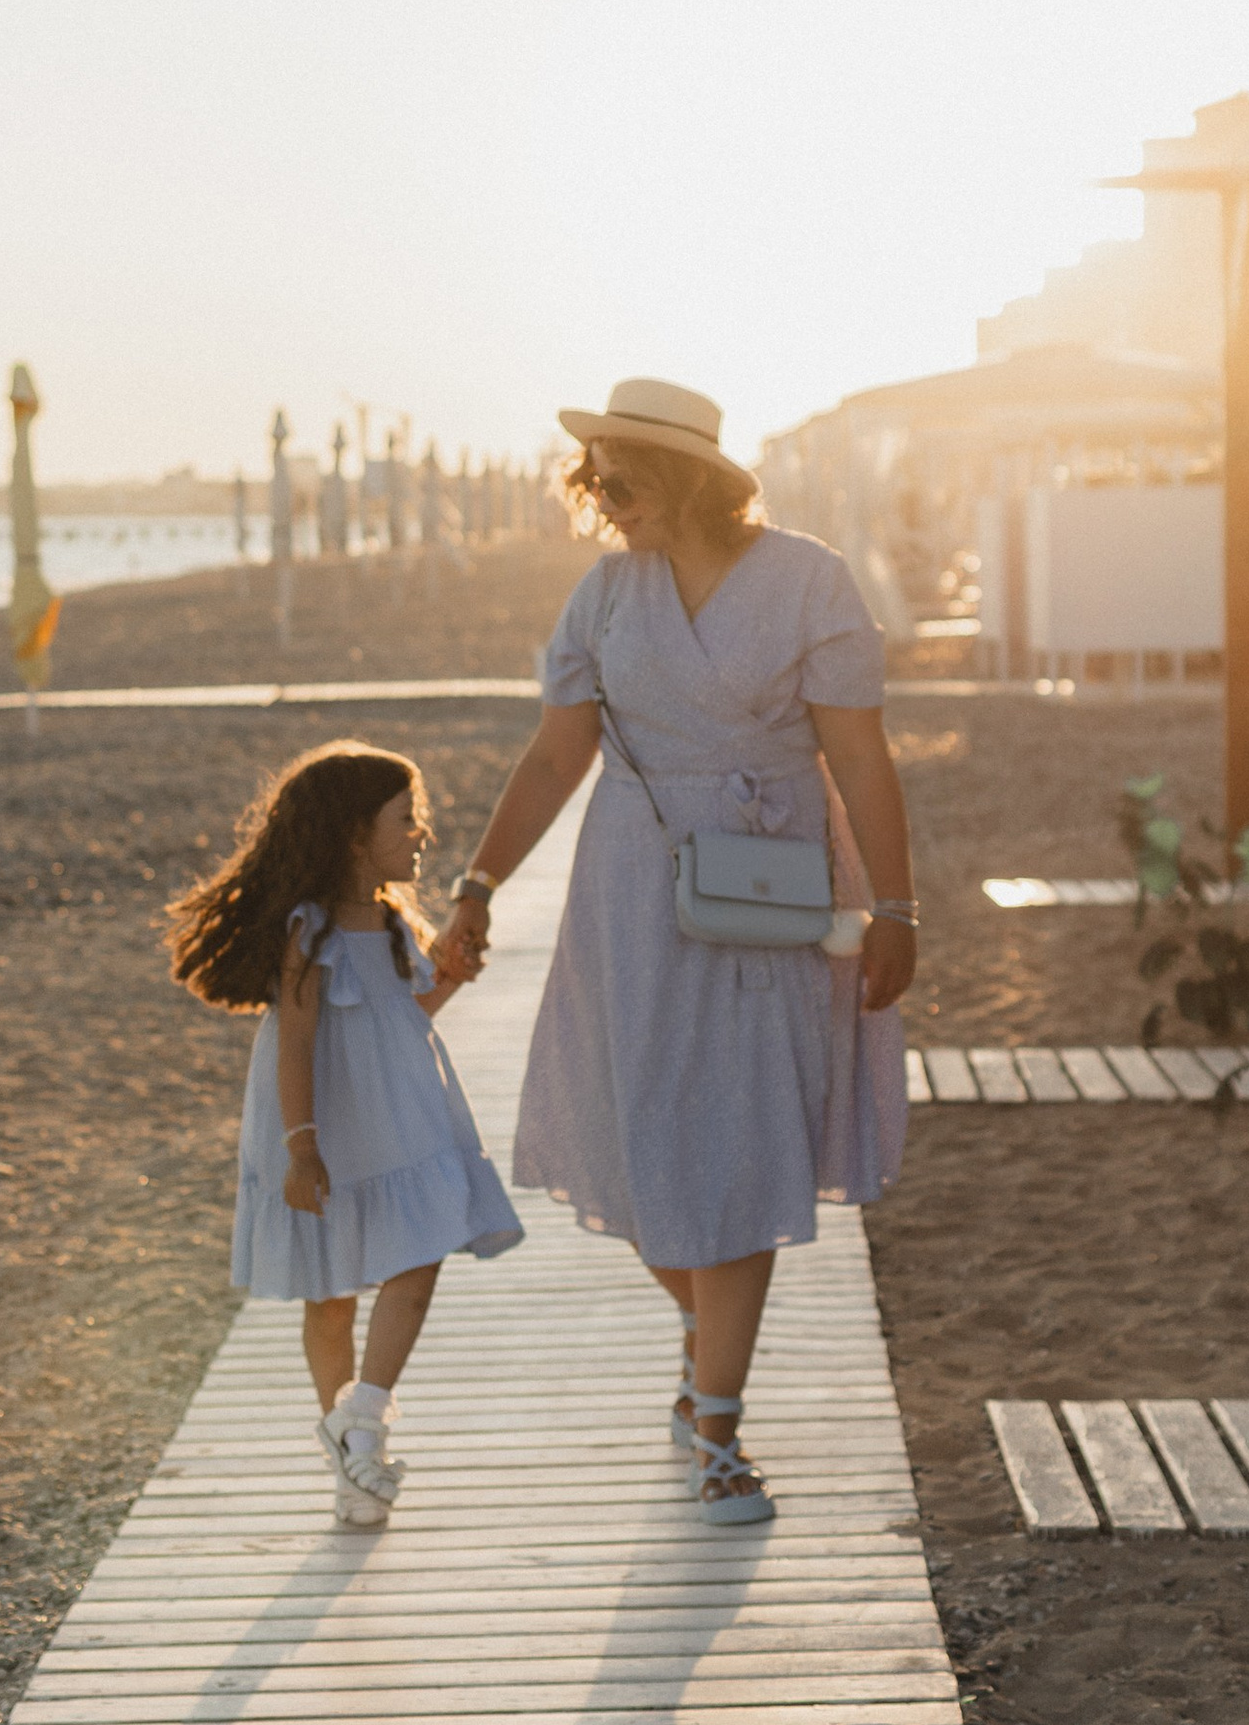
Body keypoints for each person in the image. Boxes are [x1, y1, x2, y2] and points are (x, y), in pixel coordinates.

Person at [434, 377, 914, 1523]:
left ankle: (719, 1433)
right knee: (644, 1146)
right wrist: (478, 880)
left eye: (622, 476)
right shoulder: (604, 599)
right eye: (593, 479)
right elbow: (556, 759)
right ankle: (707, 1336)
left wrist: (896, 908)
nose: (603, 499)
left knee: (742, 1145)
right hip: (636, 893)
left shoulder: (810, 581)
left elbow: (860, 759)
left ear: (691, 475)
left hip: (776, 885)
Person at [170, 741, 521, 1526]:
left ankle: (363, 1413)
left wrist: (451, 977)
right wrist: (302, 1145)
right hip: (324, 1123)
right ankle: (353, 1463)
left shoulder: (395, 923)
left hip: (394, 1117)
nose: (423, 834)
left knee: (420, 1253)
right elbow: (295, 1041)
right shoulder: (312, 927)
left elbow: (402, 1017)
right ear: (356, 833)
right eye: (408, 819)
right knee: (329, 1297)